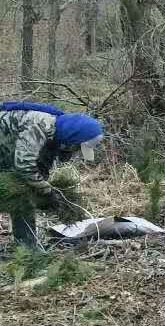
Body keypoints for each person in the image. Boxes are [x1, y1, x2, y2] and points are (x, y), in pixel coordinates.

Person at [0, 101, 103, 250]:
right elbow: (24, 165)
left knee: (23, 194)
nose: (75, 151)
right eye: (76, 147)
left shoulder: (58, 130)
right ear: (73, 137)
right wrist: (47, 190)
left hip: (6, 153)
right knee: (19, 193)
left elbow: (40, 167)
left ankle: (26, 247)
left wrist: (46, 193)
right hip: (6, 153)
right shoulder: (41, 127)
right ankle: (27, 247)